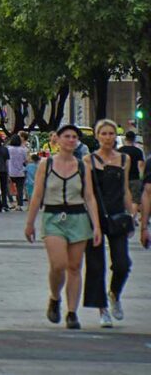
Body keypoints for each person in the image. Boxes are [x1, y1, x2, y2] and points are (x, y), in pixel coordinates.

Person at [24, 124, 102, 330]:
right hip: (53, 216)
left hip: (78, 217)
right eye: (66, 136)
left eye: (74, 137)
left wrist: (96, 226)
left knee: (75, 267)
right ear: (56, 140)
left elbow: (89, 197)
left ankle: (72, 312)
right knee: (58, 265)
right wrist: (30, 223)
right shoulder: (46, 164)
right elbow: (37, 195)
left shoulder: (83, 165)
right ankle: (54, 297)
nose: (70, 140)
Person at [83, 119, 134, 328]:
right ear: (97, 136)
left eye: (111, 133)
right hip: (96, 215)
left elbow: (125, 189)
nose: (107, 137)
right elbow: (89, 194)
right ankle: (102, 309)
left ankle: (114, 293)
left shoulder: (124, 159)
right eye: (103, 133)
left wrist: (131, 215)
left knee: (122, 263)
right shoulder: (88, 160)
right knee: (96, 265)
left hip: (118, 215)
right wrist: (96, 224)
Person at [118, 131, 144, 207]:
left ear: (125, 139)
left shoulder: (120, 150)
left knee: (123, 198)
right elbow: (140, 166)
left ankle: (125, 215)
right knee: (135, 200)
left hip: (122, 178)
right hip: (135, 178)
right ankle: (132, 216)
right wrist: (141, 178)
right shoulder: (138, 151)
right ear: (134, 139)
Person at [7, 134, 28, 210]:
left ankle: (11, 202)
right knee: (20, 189)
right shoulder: (23, 150)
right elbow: (26, 161)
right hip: (20, 172)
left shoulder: (8, 149)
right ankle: (19, 205)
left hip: (10, 171)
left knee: (7, 187)